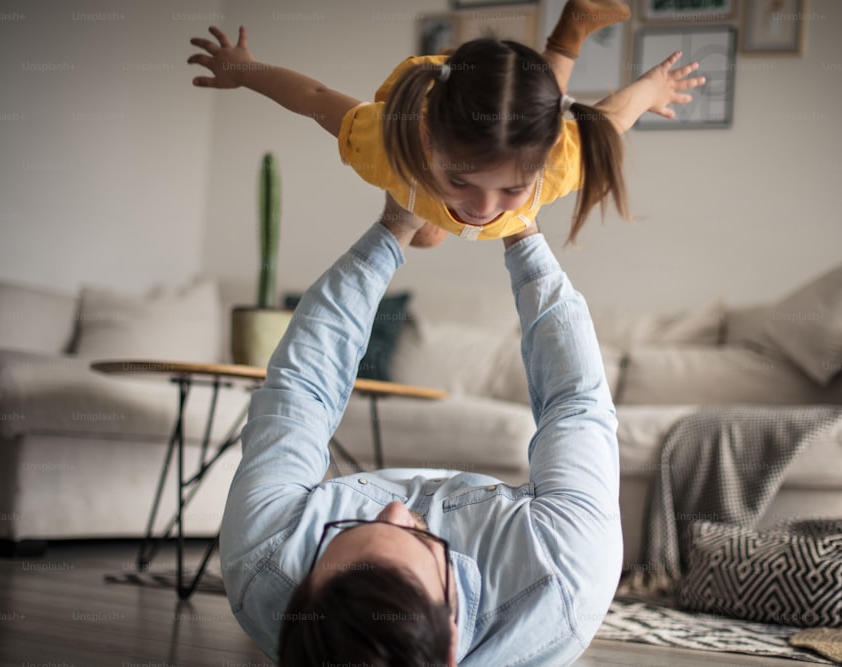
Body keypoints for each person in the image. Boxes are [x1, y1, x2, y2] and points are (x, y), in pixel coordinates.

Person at [218, 193, 622, 665]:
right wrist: (519, 224)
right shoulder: (565, 569)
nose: (392, 509)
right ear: (451, 646)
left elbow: (302, 389)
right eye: (419, 542)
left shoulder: (267, 555)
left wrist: (396, 224)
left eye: (342, 533)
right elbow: (575, 404)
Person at [187, 0, 704, 246]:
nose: (482, 208)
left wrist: (654, 88)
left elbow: (612, 118)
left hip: (521, 120)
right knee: (425, 238)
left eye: (509, 189)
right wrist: (243, 71)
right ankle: (566, 36)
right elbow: (314, 97)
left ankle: (570, 32)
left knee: (542, 106)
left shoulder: (555, 164)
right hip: (451, 103)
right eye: (460, 181)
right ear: (428, 142)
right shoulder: (390, 139)